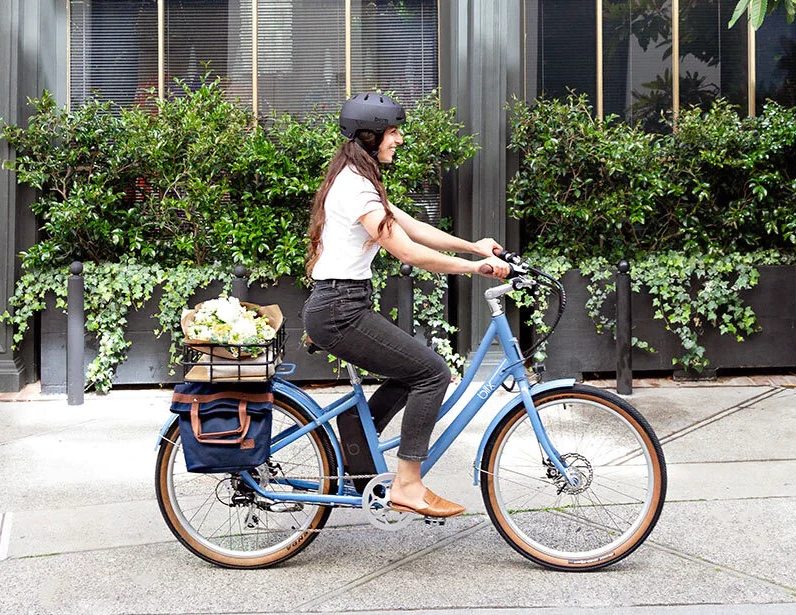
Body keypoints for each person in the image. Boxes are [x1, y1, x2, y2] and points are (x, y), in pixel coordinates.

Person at [302, 92, 510, 518]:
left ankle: (357, 434)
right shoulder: (356, 188)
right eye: (392, 132)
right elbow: (408, 252)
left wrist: (474, 247)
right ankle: (408, 484)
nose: (398, 140)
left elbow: (411, 228)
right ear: (369, 135)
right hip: (340, 309)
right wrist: (475, 270)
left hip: (343, 304)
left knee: (415, 367)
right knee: (432, 373)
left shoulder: (359, 179)